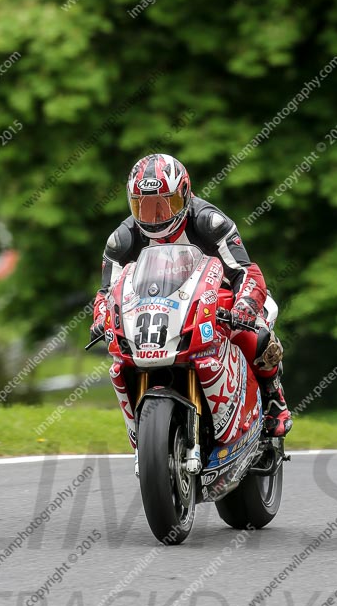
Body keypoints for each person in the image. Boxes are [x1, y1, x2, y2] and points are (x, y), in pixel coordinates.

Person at [90, 153, 292, 437]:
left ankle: (274, 399)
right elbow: (107, 291)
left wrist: (244, 306)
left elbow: (245, 271)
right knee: (120, 357)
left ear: (184, 194)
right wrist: (101, 317)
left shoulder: (210, 222)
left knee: (255, 335)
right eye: (144, 207)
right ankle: (142, 426)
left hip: (214, 300)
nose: (155, 216)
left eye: (164, 204)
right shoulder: (122, 239)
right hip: (153, 310)